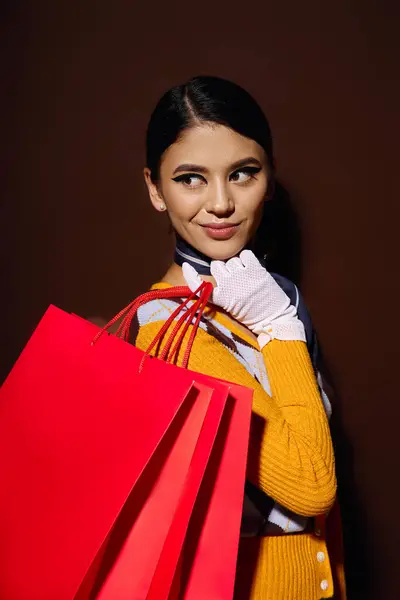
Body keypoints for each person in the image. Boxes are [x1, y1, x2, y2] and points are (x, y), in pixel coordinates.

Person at [134, 75, 346, 599]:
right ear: (155, 190)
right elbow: (311, 485)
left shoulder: (264, 296)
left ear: (269, 179)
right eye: (190, 179)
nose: (221, 203)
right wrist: (278, 326)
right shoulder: (170, 331)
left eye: (243, 173)